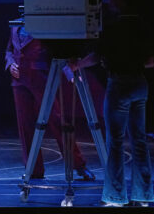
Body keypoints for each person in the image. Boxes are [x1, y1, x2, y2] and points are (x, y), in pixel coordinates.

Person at [70, 0, 154, 207]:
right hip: (140, 83)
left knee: (115, 142)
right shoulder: (143, 25)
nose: (110, 1)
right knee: (140, 141)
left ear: (120, 0)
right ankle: (143, 196)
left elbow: (97, 55)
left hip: (119, 84)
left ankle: (116, 197)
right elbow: (150, 62)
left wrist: (77, 65)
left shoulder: (113, 26)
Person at [5, 24, 95, 181]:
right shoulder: (15, 25)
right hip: (19, 79)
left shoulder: (46, 24)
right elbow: (9, 50)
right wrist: (10, 63)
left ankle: (78, 165)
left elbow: (58, 51)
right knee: (25, 124)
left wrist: (69, 72)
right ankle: (33, 169)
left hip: (41, 77)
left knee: (57, 120)